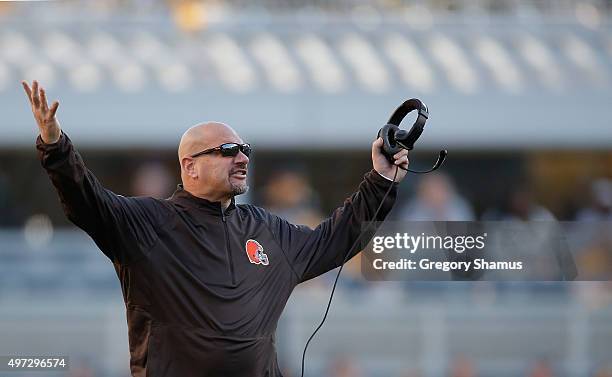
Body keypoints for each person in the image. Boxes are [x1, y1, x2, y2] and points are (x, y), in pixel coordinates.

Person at [22, 80, 410, 377]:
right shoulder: (148, 223)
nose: (241, 157)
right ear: (189, 166)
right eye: (227, 151)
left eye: (245, 151)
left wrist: (382, 179)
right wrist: (56, 147)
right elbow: (86, 200)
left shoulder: (266, 230)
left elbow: (338, 237)